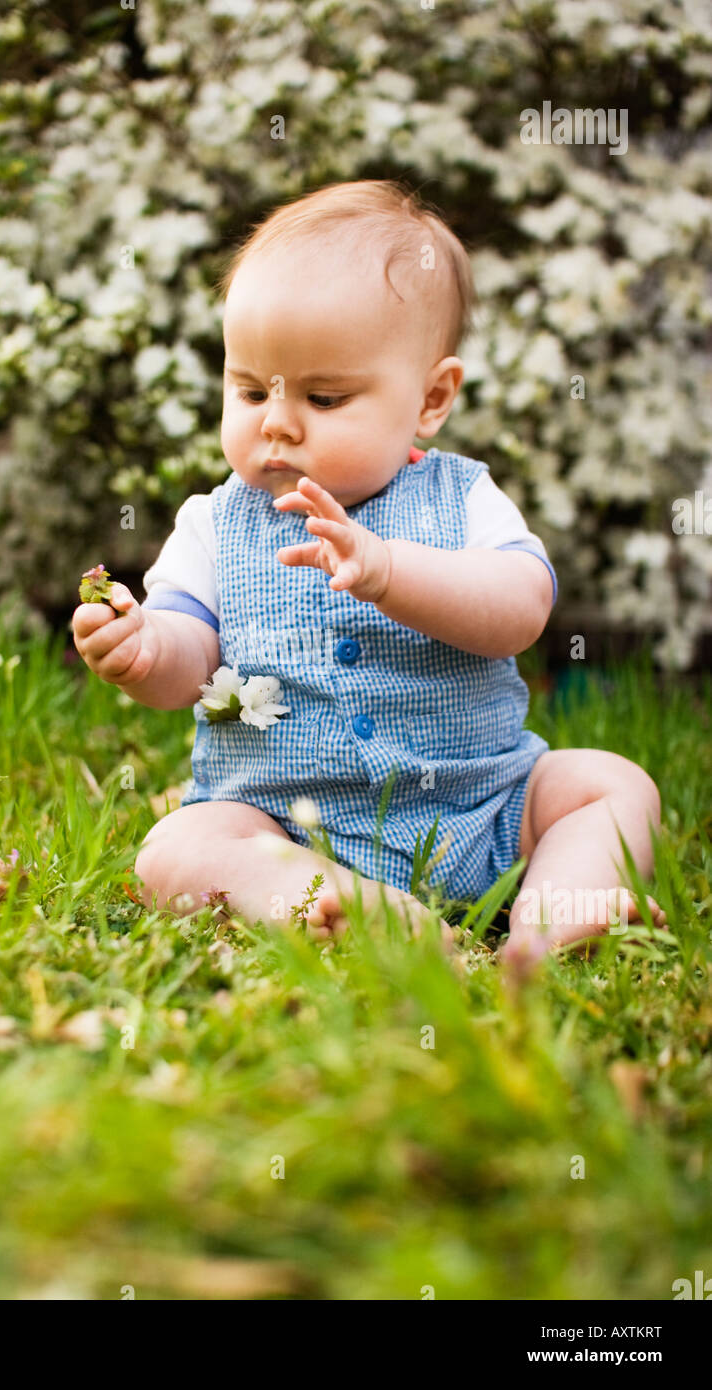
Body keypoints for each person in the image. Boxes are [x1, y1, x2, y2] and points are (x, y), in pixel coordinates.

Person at [73, 180, 665, 974]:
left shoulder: (465, 499)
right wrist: (142, 650)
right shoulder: (214, 524)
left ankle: (550, 922)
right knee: (177, 847)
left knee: (606, 786)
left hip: (486, 814)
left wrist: (390, 571)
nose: (276, 420)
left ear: (430, 398)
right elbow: (187, 664)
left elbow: (521, 609)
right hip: (288, 821)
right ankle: (346, 906)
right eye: (250, 389)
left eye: (324, 396)